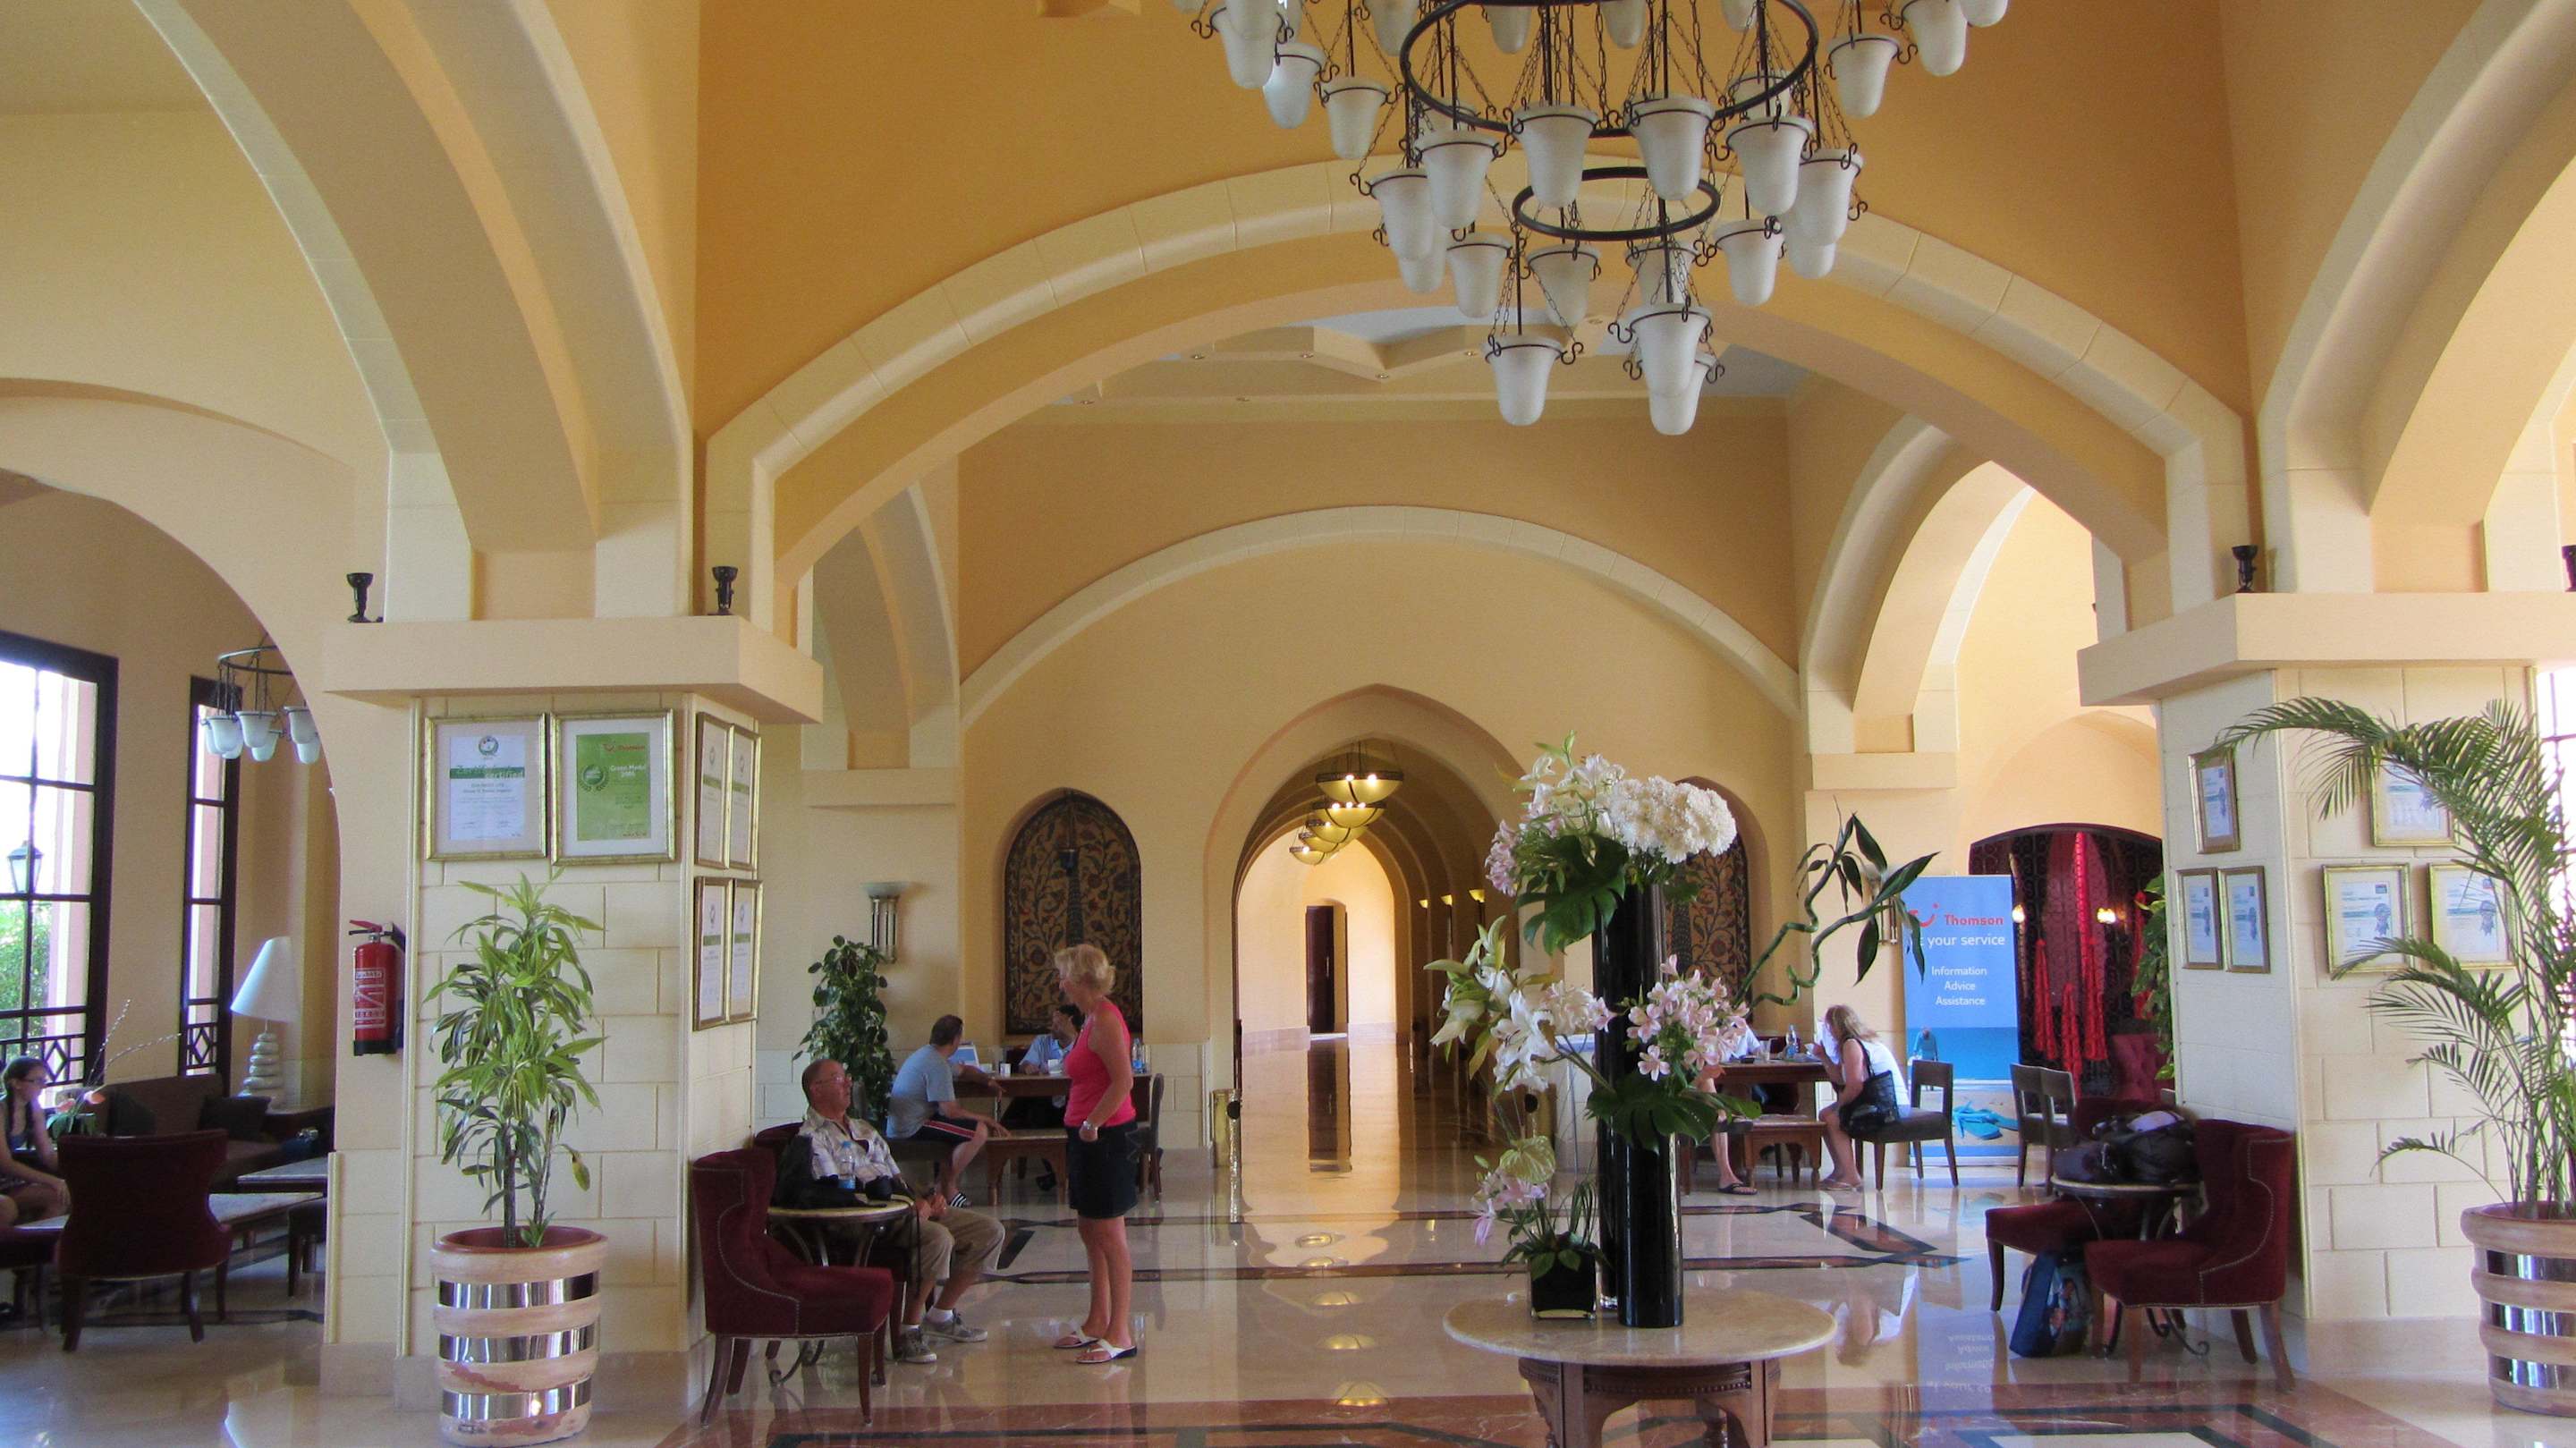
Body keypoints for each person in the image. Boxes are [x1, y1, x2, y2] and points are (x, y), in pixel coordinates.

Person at [775, 1058, 1004, 1367]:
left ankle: (941, 1314)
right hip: (872, 1222)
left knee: (988, 1231)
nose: (848, 1084)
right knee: (936, 1238)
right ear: (816, 1090)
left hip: (903, 1207)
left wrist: (926, 1198)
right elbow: (838, 1194)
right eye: (839, 1079)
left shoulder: (863, 1129)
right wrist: (907, 1207)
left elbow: (896, 1177)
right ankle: (909, 1331)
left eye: (847, 1077)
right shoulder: (814, 1138)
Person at [1052, 944, 1139, 1364]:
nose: (1060, 983)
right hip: (1085, 1134)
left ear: (1080, 980)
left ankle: (1120, 1332)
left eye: (1064, 976)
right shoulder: (1089, 1019)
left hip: (1104, 1136)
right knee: (1089, 1229)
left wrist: (1092, 1124)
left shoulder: (1105, 1020)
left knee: (1109, 1234)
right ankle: (1097, 1319)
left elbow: (1124, 1081)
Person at [889, 1015, 1007, 1205]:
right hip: (912, 1127)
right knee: (978, 1131)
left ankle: (943, 1188)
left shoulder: (930, 1054)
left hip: (911, 1121)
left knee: (961, 1131)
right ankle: (945, 1188)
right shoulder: (937, 1064)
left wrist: (988, 1081)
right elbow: (951, 1112)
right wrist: (986, 1119)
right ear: (955, 1040)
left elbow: (964, 1070)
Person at [1813, 1003, 1904, 1192]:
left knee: (1833, 1118)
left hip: (1888, 1105)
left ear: (1836, 1026)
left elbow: (1855, 1085)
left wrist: (1839, 1107)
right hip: (1877, 1100)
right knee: (1824, 1114)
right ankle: (1841, 1169)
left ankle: (1851, 1175)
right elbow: (1841, 1079)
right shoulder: (1854, 1042)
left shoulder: (1852, 1044)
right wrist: (1824, 1057)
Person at [0, 1058, 66, 1226]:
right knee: (7, 1207)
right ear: (16, 1083)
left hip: (7, 1182)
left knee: (61, 1197)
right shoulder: (1, 1110)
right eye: (37, 1081)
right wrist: (52, 1180)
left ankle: (35, 1240)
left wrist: (80, 1169)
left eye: (44, 1081)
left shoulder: (33, 1108)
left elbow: (48, 1155)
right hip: (6, 1176)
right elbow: (6, 1163)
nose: (43, 1087)